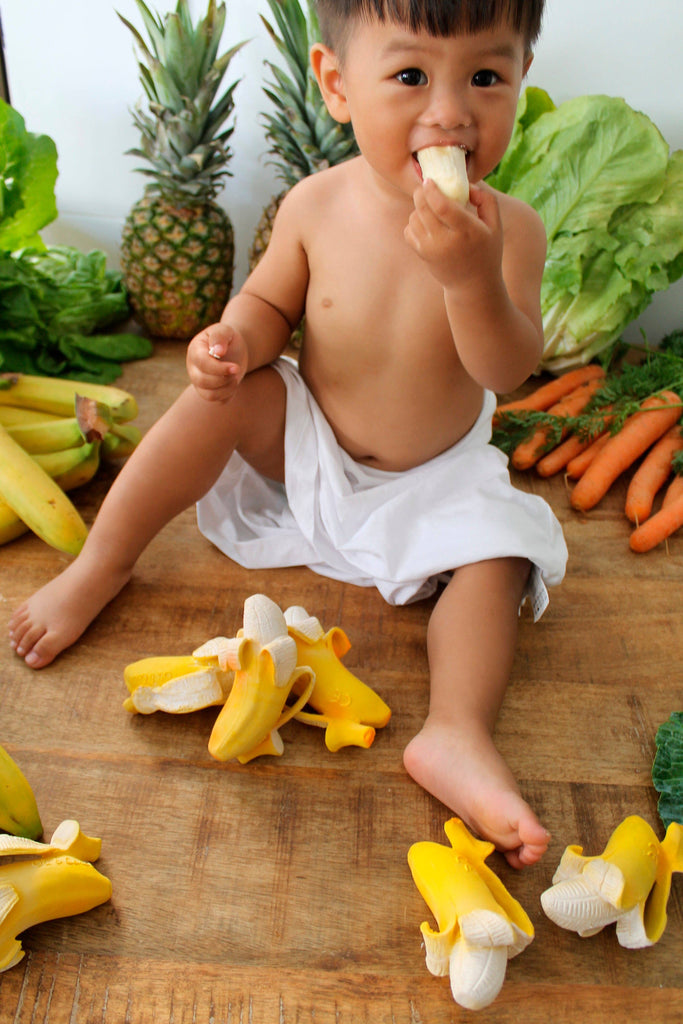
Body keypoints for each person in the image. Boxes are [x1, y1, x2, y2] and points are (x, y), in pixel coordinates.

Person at [9, 0, 567, 867]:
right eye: (412, 76)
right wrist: (233, 342)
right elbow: (269, 305)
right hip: (311, 443)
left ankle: (455, 731)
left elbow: (504, 370)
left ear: (520, 82)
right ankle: (101, 563)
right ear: (338, 85)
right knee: (225, 399)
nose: (451, 111)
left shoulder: (512, 231)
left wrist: (467, 277)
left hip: (436, 477)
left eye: (484, 77)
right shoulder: (315, 205)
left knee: (500, 557)